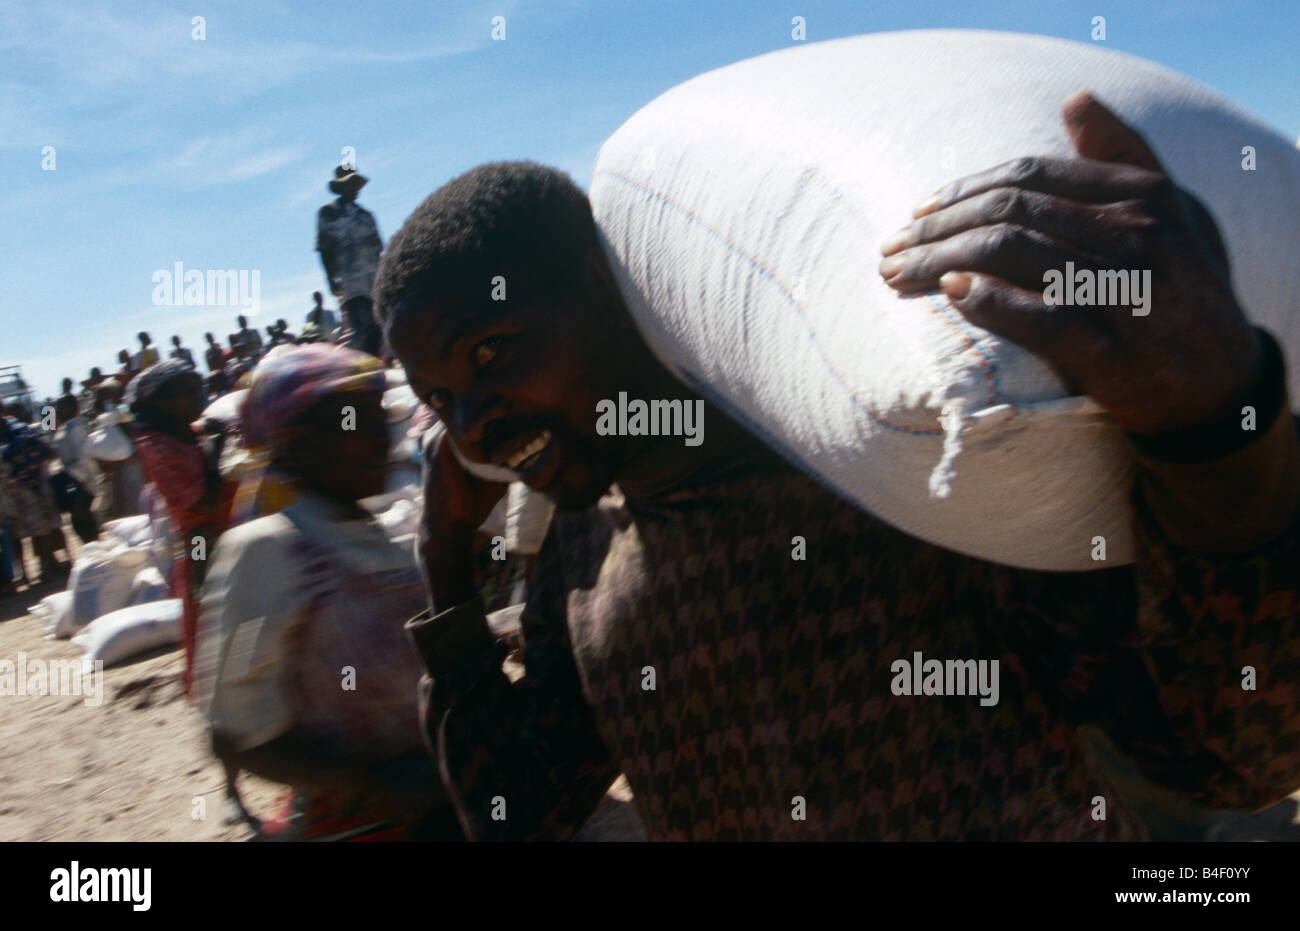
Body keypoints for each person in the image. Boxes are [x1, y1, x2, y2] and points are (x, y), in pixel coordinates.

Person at [373, 95, 1300, 841]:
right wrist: (447, 568)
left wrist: (1218, 430)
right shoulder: (580, 555)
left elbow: (1234, 756)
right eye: (441, 397)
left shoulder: (884, 469)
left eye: (489, 353)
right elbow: (516, 812)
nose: (474, 423)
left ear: (599, 282)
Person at [195, 344, 458, 840]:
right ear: (297, 444)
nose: (380, 436)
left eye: (379, 418)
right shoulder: (266, 553)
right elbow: (233, 734)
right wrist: (376, 781)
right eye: (353, 423)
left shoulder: (373, 533)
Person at [127, 360, 235, 697]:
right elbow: (204, 501)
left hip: (227, 531)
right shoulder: (155, 446)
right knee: (212, 613)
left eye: (195, 387)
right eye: (182, 392)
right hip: (201, 541)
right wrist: (218, 448)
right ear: (157, 402)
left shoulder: (191, 432)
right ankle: (219, 694)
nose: (195, 396)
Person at [317, 165, 383, 357]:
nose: (354, 189)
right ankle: (362, 365)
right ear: (340, 187)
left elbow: (378, 247)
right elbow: (324, 249)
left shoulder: (366, 215)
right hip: (348, 281)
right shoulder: (328, 213)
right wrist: (330, 278)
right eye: (349, 185)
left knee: (376, 327)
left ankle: (376, 362)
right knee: (359, 327)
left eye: (355, 185)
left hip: (373, 278)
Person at [0, 406, 68, 583]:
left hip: (26, 488)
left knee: (36, 531)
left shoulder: (21, 430)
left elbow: (44, 449)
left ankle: (42, 567)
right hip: (16, 490)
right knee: (21, 534)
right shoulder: (23, 429)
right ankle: (31, 570)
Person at [88, 380, 144, 521]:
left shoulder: (121, 411)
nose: (106, 401)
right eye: (102, 397)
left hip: (131, 466)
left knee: (132, 507)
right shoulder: (105, 417)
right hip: (119, 469)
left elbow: (131, 433)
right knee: (124, 506)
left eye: (108, 396)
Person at [52, 394, 100, 543]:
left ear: (75, 408)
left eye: (65, 407)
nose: (61, 410)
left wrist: (66, 473)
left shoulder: (75, 428)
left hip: (82, 483)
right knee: (79, 523)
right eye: (59, 407)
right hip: (73, 483)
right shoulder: (63, 429)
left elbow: (83, 458)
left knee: (84, 523)